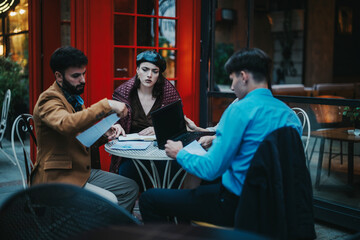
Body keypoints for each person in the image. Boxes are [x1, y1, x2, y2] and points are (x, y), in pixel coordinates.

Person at [139, 48, 302, 226]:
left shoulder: (239, 110)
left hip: (237, 205)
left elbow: (211, 169)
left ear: (243, 76)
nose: (231, 86)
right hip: (276, 204)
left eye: (232, 79)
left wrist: (179, 153)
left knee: (149, 199)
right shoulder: (289, 115)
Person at [30, 46, 139, 212]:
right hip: (58, 178)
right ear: (59, 76)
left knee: (130, 188)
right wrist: (107, 104)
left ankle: (107, 231)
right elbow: (67, 124)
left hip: (81, 171)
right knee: (110, 201)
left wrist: (105, 133)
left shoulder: (73, 98)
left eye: (84, 74)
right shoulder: (49, 99)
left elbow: (80, 135)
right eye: (76, 76)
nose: (83, 80)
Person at [109, 50, 183, 190]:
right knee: (126, 171)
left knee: (175, 167)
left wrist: (158, 129)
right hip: (132, 152)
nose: (149, 75)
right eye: (145, 69)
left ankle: (162, 207)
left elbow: (177, 125)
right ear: (137, 70)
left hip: (161, 151)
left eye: (155, 71)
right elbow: (114, 123)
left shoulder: (169, 93)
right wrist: (116, 127)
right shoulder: (123, 93)